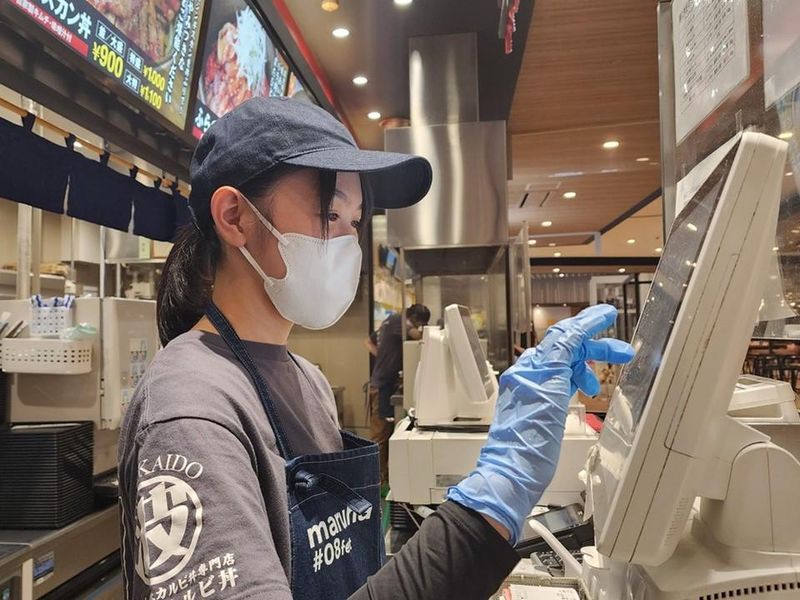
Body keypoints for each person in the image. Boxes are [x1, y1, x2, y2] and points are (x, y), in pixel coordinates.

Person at [118, 97, 635, 600]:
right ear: (235, 216)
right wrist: (495, 494)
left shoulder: (308, 380)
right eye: (329, 214)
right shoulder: (189, 406)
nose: (348, 243)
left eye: (356, 221)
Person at [364, 303, 430, 485]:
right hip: (381, 385)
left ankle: (383, 478)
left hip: (384, 381)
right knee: (379, 436)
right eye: (419, 323)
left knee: (384, 434)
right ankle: (374, 482)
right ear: (415, 319)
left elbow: (368, 342)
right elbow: (418, 335)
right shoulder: (398, 321)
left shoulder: (389, 321)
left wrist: (384, 358)